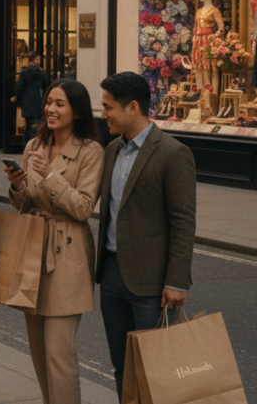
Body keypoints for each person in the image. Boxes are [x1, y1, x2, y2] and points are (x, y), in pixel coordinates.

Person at [97, 72, 197, 398]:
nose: (103, 114)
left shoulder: (172, 153)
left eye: (108, 107)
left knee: (156, 369)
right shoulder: (111, 149)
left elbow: (183, 222)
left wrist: (177, 281)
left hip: (152, 284)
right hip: (111, 275)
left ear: (133, 107)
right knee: (122, 364)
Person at [4, 78, 104, 403]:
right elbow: (25, 204)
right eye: (49, 102)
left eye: (59, 104)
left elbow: (83, 208)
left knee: (59, 353)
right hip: (32, 249)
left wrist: (48, 176)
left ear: (76, 111)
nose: (50, 109)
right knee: (39, 353)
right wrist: (18, 186)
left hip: (68, 253)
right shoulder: (35, 145)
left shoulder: (91, 152)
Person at [12, 52, 46, 144]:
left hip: (27, 103)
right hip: (39, 102)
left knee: (29, 127)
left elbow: (20, 88)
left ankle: (27, 147)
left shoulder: (24, 72)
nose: (39, 62)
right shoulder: (42, 72)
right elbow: (44, 87)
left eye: (39, 60)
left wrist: (18, 100)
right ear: (32, 60)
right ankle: (32, 147)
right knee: (35, 127)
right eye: (37, 60)